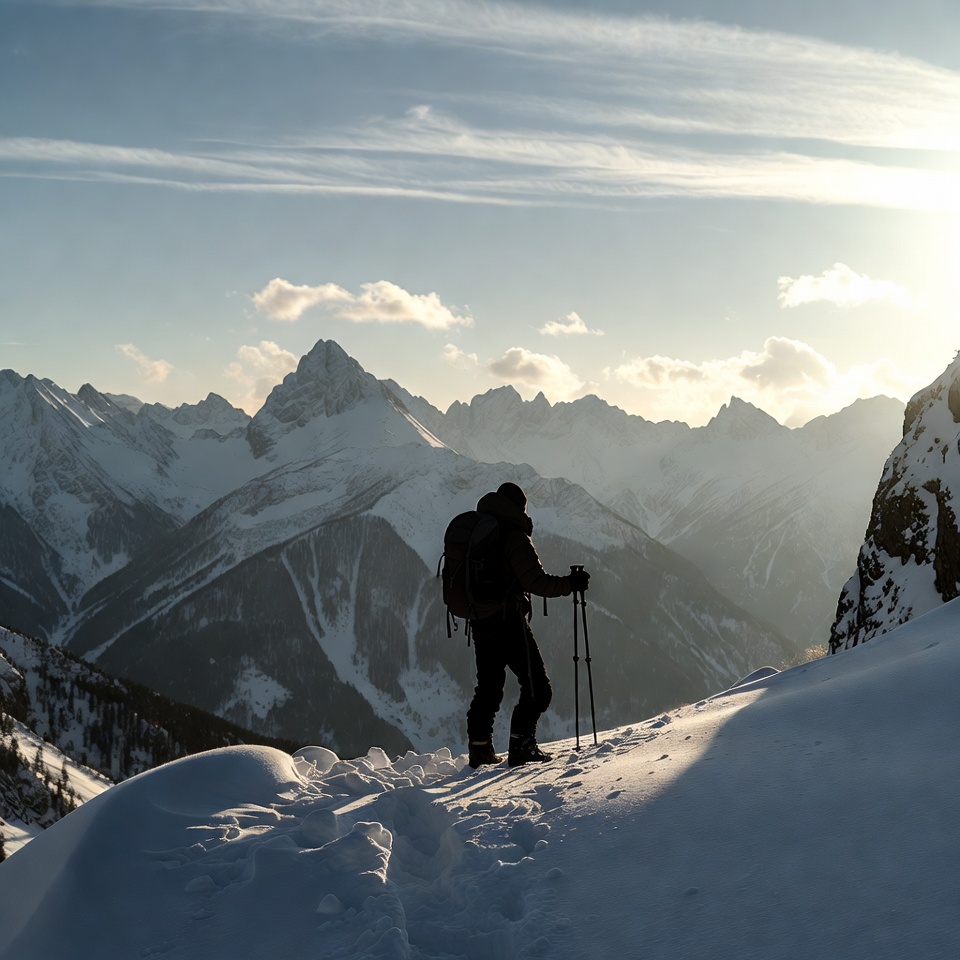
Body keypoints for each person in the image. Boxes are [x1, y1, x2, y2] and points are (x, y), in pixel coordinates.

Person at [467, 481, 590, 768]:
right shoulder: (513, 536)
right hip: (508, 620)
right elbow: (536, 581)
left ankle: (479, 749)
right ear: (518, 507)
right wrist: (571, 584)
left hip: (480, 618)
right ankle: (522, 746)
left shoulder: (480, 530)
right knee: (537, 686)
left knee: (489, 686)